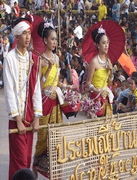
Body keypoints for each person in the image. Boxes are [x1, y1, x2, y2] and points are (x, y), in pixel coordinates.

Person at [3, 18, 42, 180]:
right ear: (17, 36)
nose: (27, 37)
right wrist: (18, 119)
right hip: (17, 119)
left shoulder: (32, 58)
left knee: (26, 159)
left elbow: (36, 88)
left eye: (29, 33)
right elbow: (9, 91)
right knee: (19, 161)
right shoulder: (9, 58)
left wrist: (36, 118)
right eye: (24, 33)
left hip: (29, 117)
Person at [33, 22, 63, 178]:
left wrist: (65, 86)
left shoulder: (57, 58)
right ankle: (36, 164)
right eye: (52, 39)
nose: (54, 42)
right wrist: (49, 68)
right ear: (45, 40)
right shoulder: (40, 60)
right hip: (44, 102)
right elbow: (39, 85)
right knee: (43, 137)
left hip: (55, 101)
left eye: (56, 39)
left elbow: (55, 81)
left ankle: (54, 170)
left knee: (55, 136)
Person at [85, 25, 114, 117]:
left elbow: (109, 83)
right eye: (104, 43)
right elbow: (88, 82)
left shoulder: (108, 61)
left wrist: (111, 71)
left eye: (107, 43)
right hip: (96, 98)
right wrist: (94, 89)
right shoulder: (94, 62)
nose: (106, 46)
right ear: (98, 45)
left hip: (106, 98)